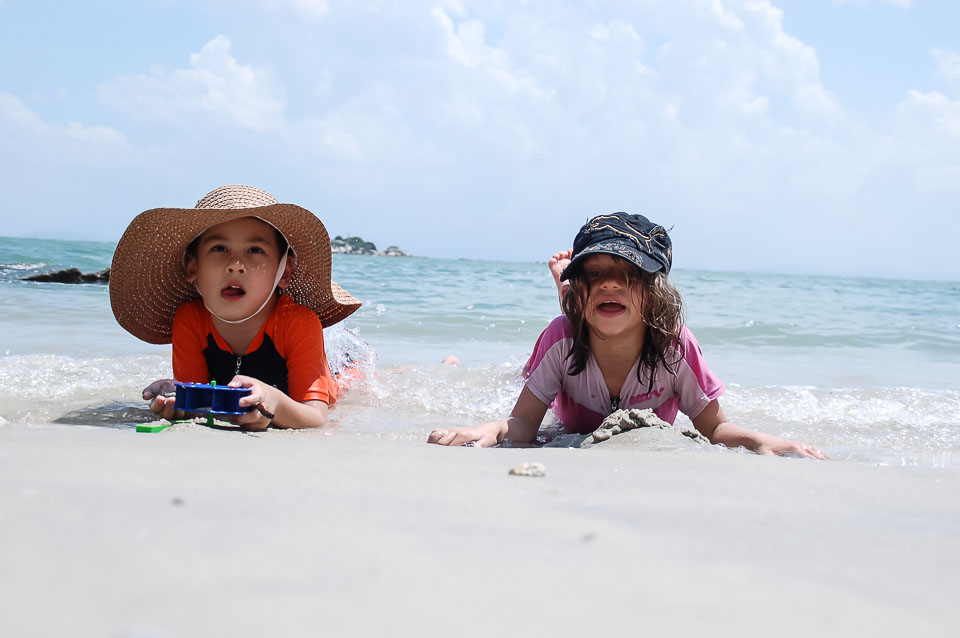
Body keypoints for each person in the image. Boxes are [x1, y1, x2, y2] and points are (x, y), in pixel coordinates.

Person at [428, 212, 826, 459]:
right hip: (571, 343)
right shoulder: (560, 340)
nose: (610, 283)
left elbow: (714, 428)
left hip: (600, 323)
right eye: (594, 274)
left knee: (592, 314)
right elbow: (522, 425)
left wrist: (758, 441)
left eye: (629, 275)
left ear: (655, 293)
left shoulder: (675, 346)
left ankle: (571, 293)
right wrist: (493, 429)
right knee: (534, 362)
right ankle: (457, 361)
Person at [110, 184, 362, 431]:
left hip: (336, 372)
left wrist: (273, 402)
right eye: (219, 248)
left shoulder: (299, 322)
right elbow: (201, 401)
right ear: (192, 266)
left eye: (255, 250)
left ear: (284, 271)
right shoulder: (189, 319)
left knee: (353, 378)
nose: (236, 265)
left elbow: (315, 416)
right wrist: (182, 399)